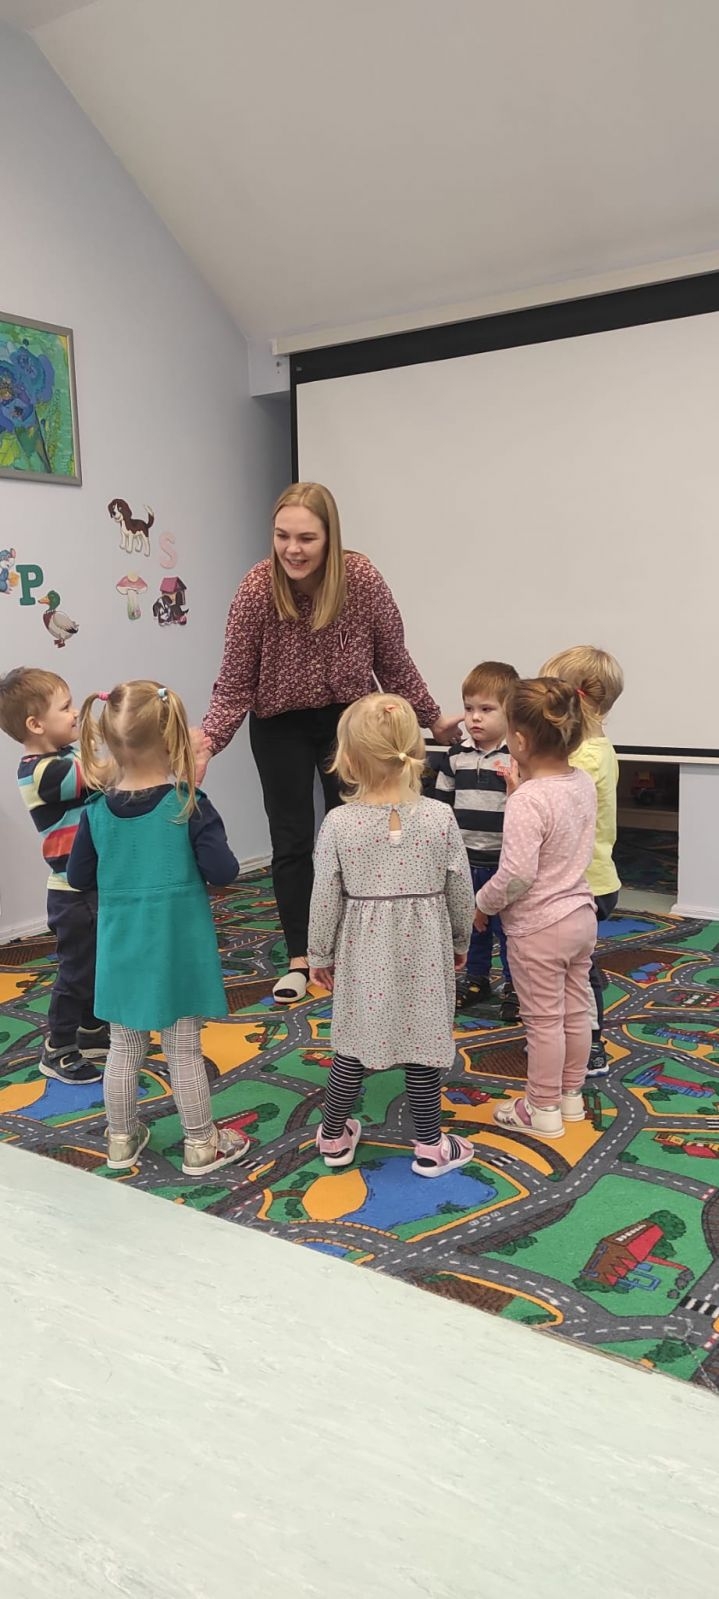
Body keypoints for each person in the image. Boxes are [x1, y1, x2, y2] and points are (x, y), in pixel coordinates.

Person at [197, 482, 462, 1003]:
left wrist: (432, 719)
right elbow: (234, 681)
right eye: (282, 536)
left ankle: (356, 944)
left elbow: (392, 660)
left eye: (306, 538)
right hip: (279, 724)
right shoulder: (257, 588)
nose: (292, 549)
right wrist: (209, 739)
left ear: (330, 538)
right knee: (292, 839)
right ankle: (301, 956)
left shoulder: (361, 580)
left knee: (357, 833)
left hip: (348, 720)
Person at [66, 680, 248, 1176]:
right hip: (176, 949)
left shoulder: (95, 813)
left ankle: (120, 1140)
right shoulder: (189, 804)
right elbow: (225, 871)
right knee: (182, 1048)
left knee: (124, 1046)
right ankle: (201, 1144)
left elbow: (79, 877)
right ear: (173, 741)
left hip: (121, 949)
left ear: (110, 741)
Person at [307, 692, 476, 1177]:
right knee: (424, 1042)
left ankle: (334, 1135)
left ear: (348, 759)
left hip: (363, 949)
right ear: (413, 752)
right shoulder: (440, 816)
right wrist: (460, 941)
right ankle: (430, 1146)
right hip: (426, 947)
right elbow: (460, 888)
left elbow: (324, 895)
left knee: (353, 1042)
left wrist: (319, 954)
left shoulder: (338, 822)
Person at [474, 679, 597, 1138]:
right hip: (580, 917)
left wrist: (482, 904)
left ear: (520, 741)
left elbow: (517, 875)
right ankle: (570, 1098)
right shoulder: (581, 782)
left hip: (538, 928)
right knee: (576, 1012)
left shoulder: (529, 799)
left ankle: (540, 1109)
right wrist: (518, 794)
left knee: (543, 1022)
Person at [0, 667, 108, 1085]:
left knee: (98, 961)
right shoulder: (40, 772)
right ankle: (58, 1047)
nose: (75, 713)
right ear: (36, 724)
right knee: (76, 971)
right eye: (65, 707)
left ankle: (92, 1030)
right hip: (71, 892)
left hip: (92, 883)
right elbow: (101, 776)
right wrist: (134, 738)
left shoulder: (66, 756)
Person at [540, 646, 624, 1078]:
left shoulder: (582, 758)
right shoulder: (596, 749)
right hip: (588, 879)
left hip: (582, 884)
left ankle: (590, 1045)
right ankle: (565, 1034)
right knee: (570, 966)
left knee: (579, 970)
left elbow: (560, 811)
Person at [435, 660, 520, 1018]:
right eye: (469, 708)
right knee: (472, 924)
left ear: (510, 712)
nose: (474, 718)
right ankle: (476, 978)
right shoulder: (456, 757)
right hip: (465, 860)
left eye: (486, 709)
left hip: (504, 862)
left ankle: (517, 986)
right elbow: (440, 808)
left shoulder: (517, 757)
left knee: (510, 928)